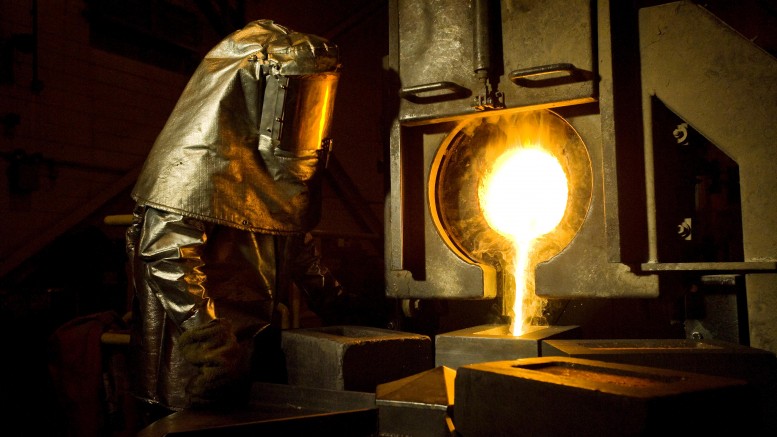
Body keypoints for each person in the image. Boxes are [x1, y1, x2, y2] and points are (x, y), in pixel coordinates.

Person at [125, 19, 345, 418]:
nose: (303, 117)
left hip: (251, 342)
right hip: (193, 361)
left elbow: (295, 243)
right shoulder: (194, 163)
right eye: (295, 96)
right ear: (254, 93)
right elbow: (168, 256)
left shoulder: (275, 169)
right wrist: (207, 344)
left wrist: (343, 302)